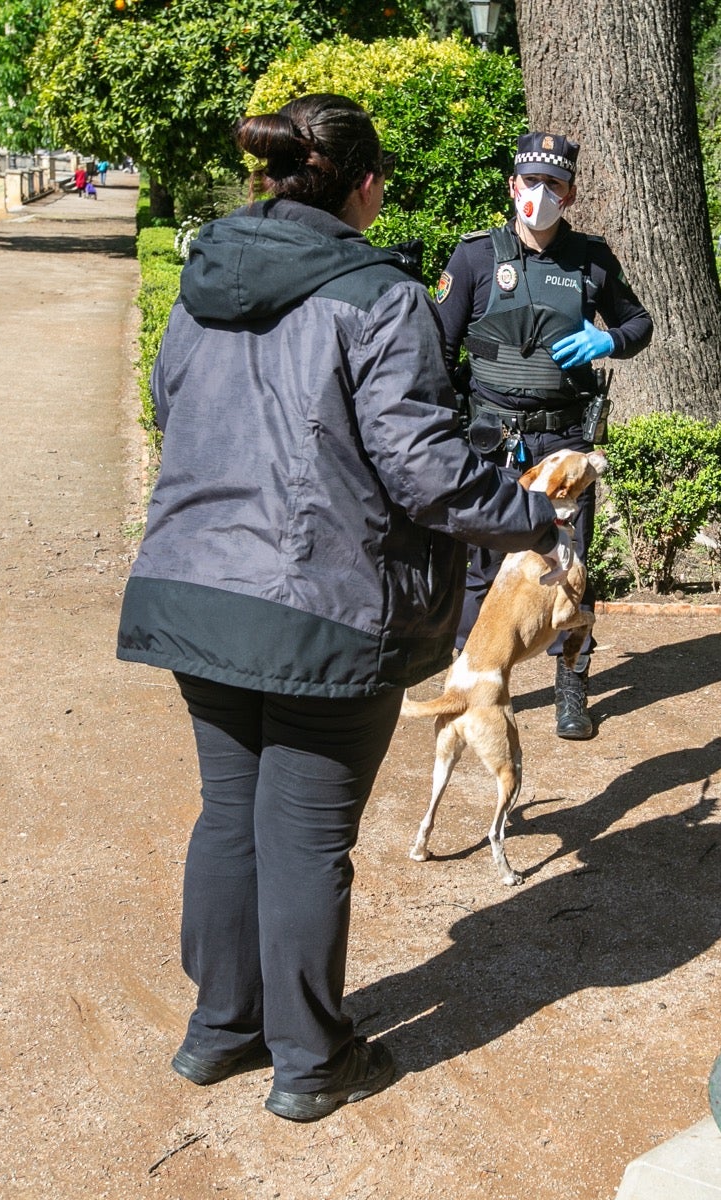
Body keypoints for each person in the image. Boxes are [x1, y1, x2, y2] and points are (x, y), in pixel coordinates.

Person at [116, 94, 561, 1122]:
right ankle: (310, 1060)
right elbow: (423, 469)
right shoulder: (380, 296)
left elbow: (172, 402)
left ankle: (220, 1030)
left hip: (196, 586)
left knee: (232, 816)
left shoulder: (201, 280)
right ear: (363, 186)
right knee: (305, 836)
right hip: (322, 604)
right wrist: (530, 514)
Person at [431, 131, 653, 740]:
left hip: (562, 445)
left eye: (553, 184)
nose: (541, 194)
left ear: (570, 193)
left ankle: (571, 687)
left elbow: (639, 323)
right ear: (513, 186)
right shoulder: (475, 258)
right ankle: (467, 684)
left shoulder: (591, 260)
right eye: (531, 181)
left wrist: (609, 339)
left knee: (567, 568)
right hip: (490, 440)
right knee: (480, 569)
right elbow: (438, 351)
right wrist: (445, 432)